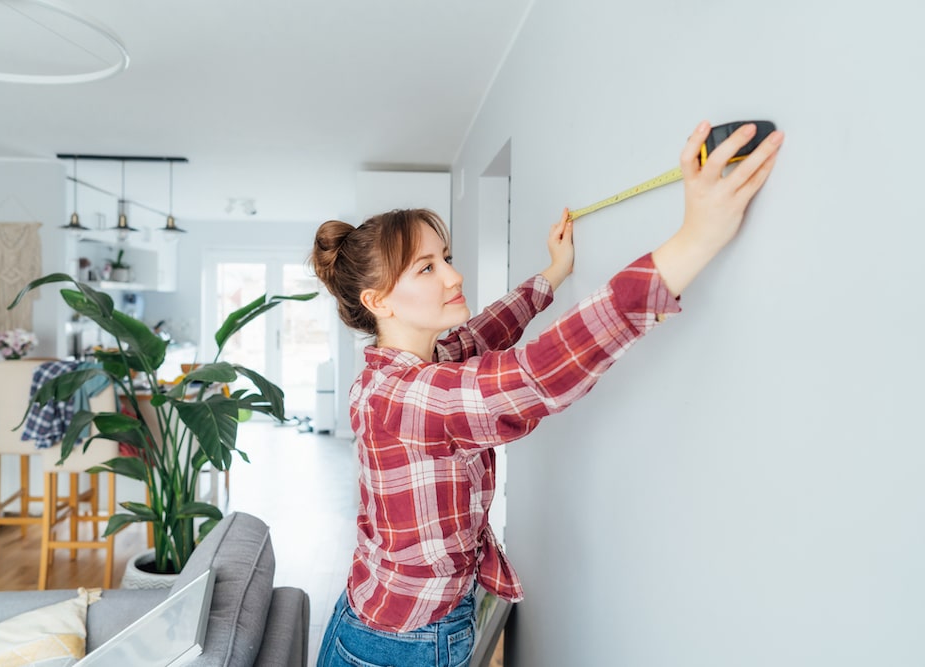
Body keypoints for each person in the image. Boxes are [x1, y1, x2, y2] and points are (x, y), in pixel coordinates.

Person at [310, 121, 783, 667]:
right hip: (400, 643)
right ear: (379, 302)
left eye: (446, 256)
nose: (453, 275)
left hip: (378, 615)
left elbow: (483, 332)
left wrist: (552, 275)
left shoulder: (412, 362)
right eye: (427, 268)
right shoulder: (405, 396)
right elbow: (533, 376)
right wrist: (694, 241)